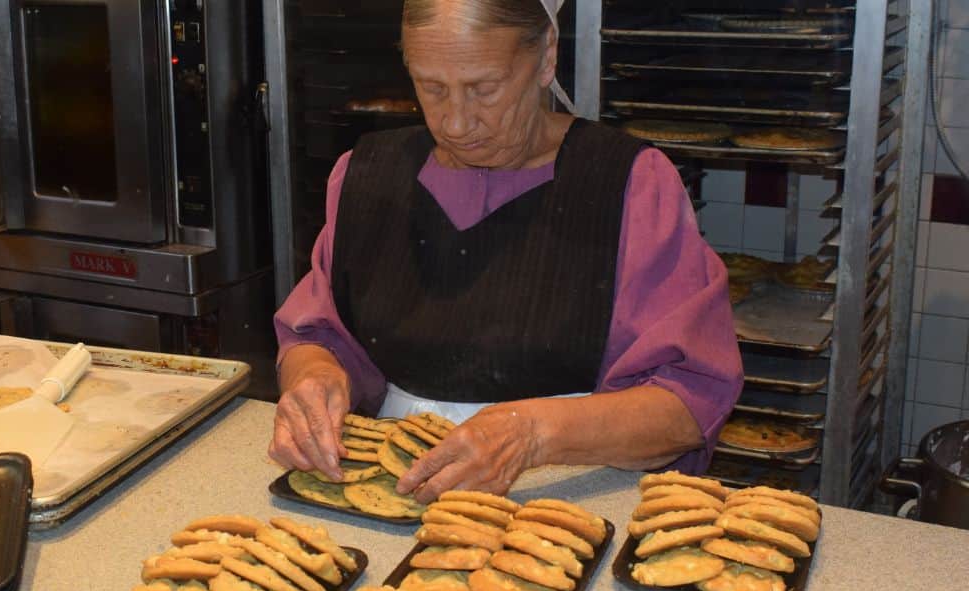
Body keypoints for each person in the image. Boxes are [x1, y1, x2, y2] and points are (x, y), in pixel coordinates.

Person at [269, 0, 742, 503]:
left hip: (570, 494)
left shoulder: (629, 184)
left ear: (545, 59)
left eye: (484, 89)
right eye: (431, 88)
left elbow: (687, 404)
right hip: (400, 491)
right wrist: (314, 377)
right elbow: (320, 333)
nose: (454, 123)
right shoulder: (365, 175)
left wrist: (531, 434)